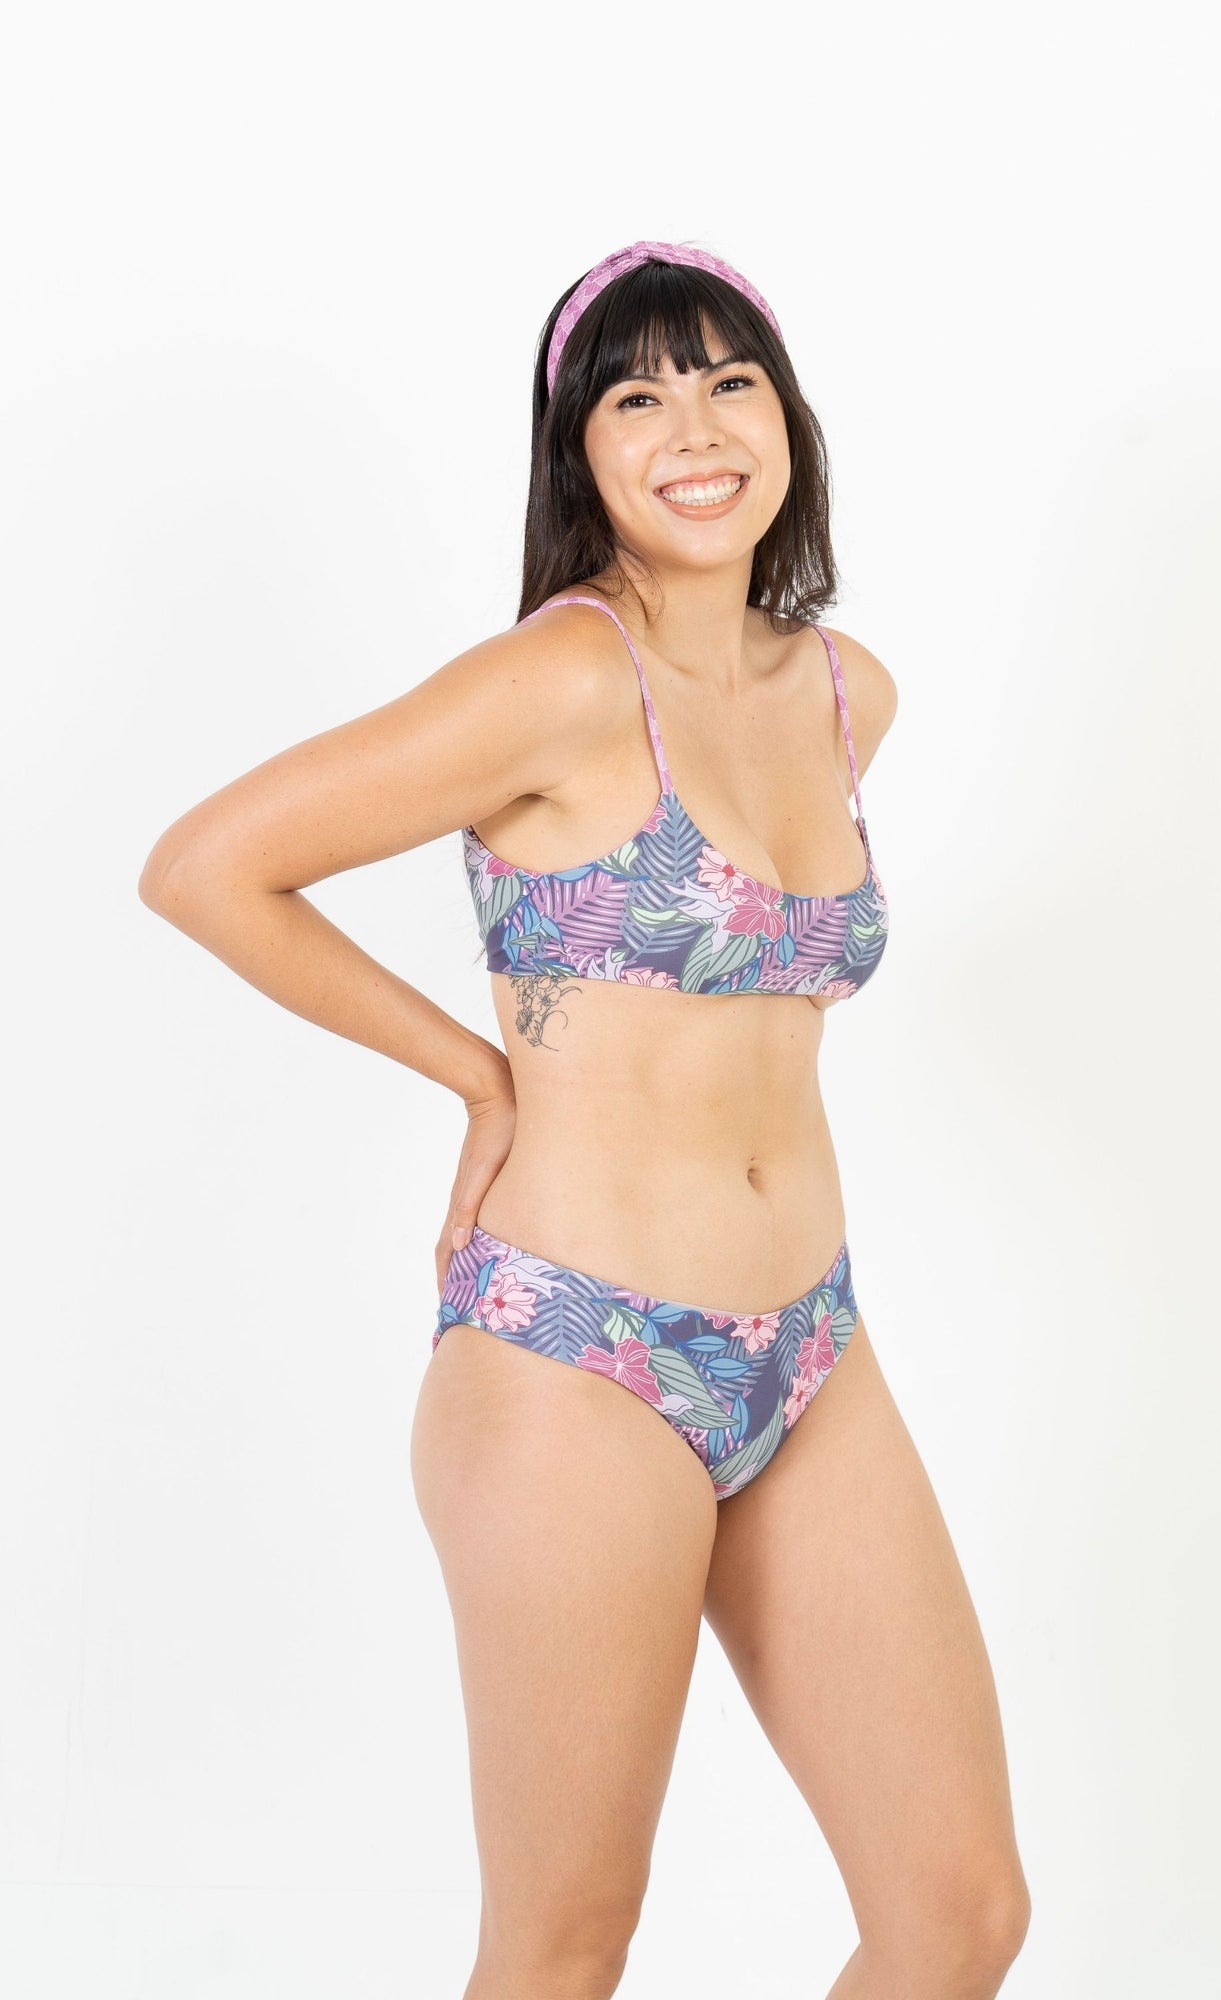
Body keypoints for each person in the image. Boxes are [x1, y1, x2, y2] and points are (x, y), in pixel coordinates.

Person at [139, 238, 1031, 2000]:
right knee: (563, 1947)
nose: (693, 428)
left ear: (787, 423)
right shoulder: (554, 680)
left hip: (810, 1345)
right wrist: (477, 1074)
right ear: (579, 456)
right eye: (637, 397)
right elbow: (207, 867)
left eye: (729, 383)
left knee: (956, 1915)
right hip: (575, 1354)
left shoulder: (844, 691)